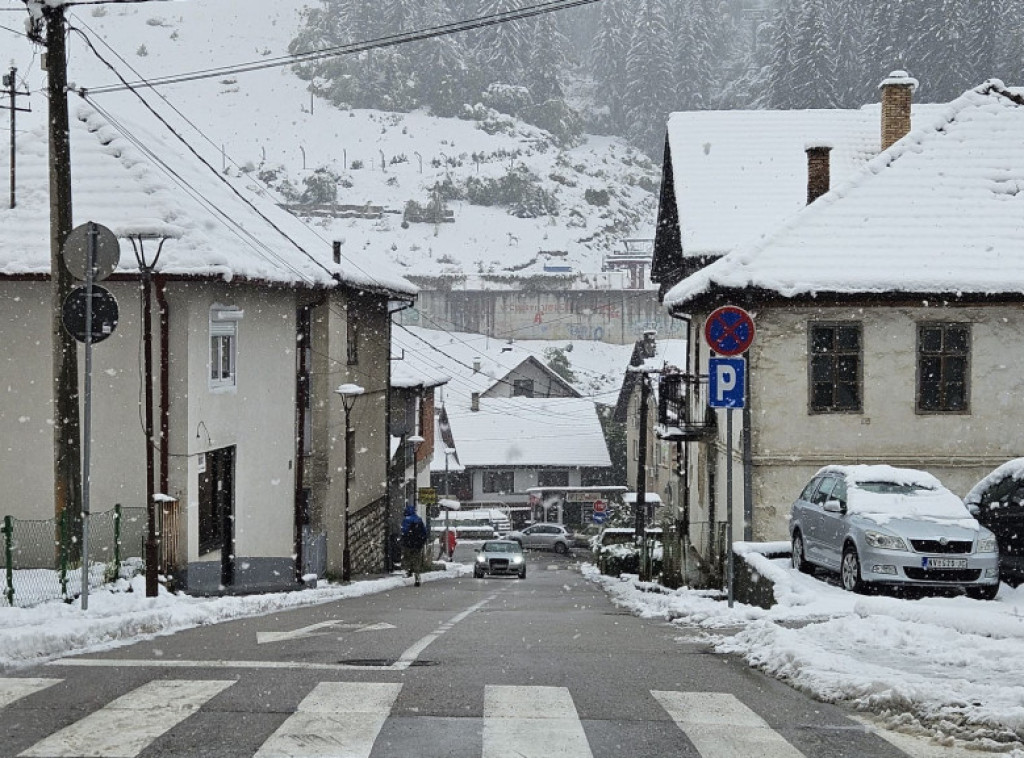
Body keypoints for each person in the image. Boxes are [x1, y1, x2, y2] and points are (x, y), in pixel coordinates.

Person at [400, 503, 429, 587]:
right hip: (418, 545)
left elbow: (403, 532)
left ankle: (408, 571)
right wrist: (421, 542)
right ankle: (417, 577)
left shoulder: (406, 520)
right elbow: (424, 532)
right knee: (416, 560)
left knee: (406, 558)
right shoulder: (419, 519)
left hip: (408, 544)